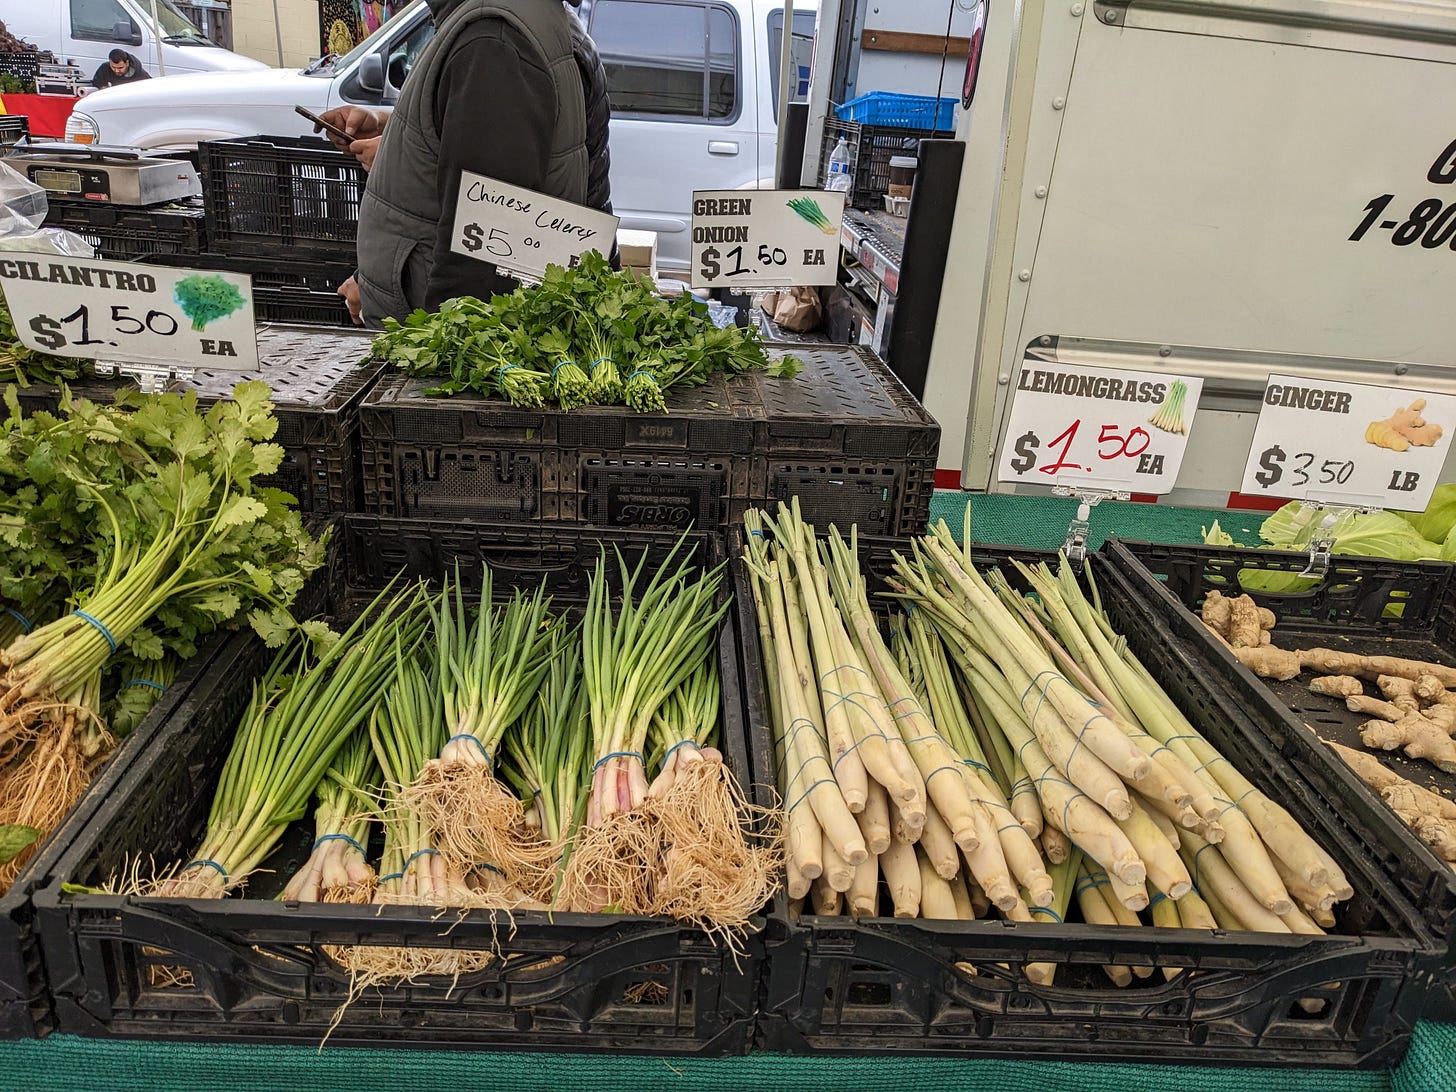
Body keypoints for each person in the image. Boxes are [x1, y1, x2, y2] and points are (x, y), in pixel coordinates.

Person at [317, 0, 614, 327]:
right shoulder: (503, 25)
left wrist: (439, 357)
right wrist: (395, 135)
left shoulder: (494, 40)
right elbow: (483, 144)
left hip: (450, 346)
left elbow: (483, 259)